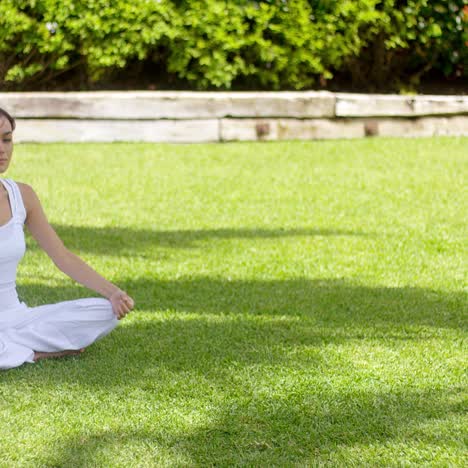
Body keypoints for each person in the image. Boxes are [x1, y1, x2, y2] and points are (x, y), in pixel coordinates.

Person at [0, 107, 134, 370]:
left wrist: (113, 293)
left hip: (16, 316)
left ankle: (10, 346)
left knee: (104, 311)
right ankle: (34, 352)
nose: (2, 149)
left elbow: (62, 257)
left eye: (6, 139)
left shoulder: (22, 196)